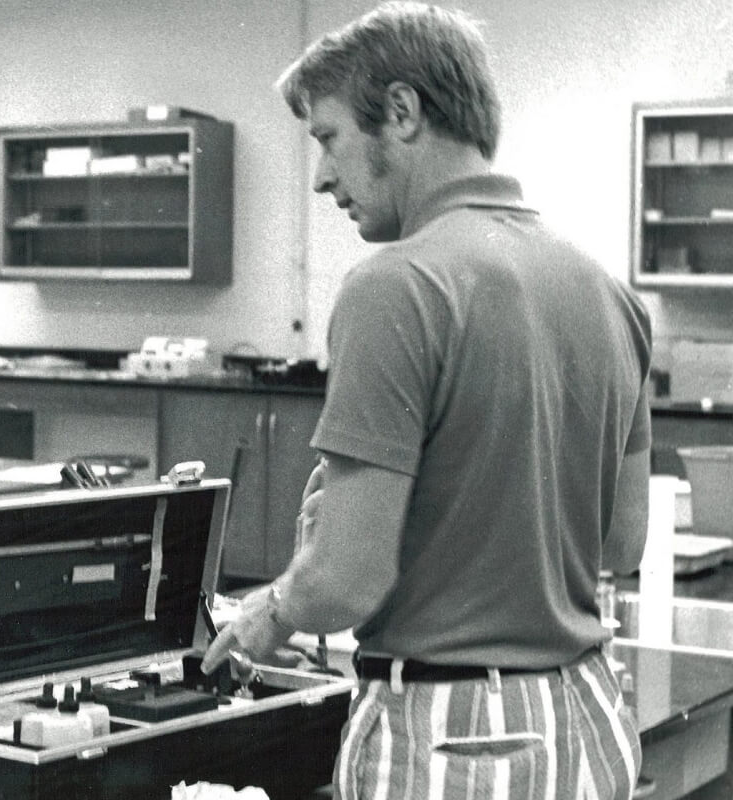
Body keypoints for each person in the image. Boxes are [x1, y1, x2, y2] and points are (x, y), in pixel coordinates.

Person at [202, 4, 651, 798]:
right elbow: (621, 543)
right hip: (588, 722)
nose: (320, 177)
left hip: (454, 742)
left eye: (328, 138)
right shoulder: (610, 293)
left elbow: (346, 578)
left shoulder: (394, 287)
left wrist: (269, 612)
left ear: (402, 113)